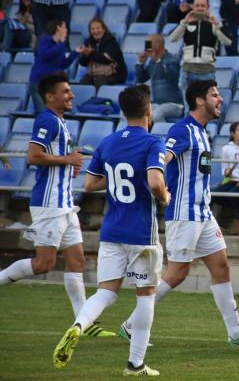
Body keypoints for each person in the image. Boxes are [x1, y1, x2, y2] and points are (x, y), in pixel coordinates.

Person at [119, 80, 239, 348]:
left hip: (203, 213)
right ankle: (131, 324)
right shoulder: (183, 129)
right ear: (200, 100)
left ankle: (236, 334)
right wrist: (159, 184)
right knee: (177, 274)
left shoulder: (203, 133)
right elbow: (162, 158)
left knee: (221, 266)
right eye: (214, 95)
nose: (219, 99)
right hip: (185, 213)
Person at [52, 84, 169, 376]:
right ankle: (135, 364)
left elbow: (90, 185)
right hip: (141, 233)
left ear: (122, 111)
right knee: (146, 294)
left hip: (112, 231)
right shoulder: (153, 142)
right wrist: (164, 196)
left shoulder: (108, 142)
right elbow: (155, 183)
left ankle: (79, 325)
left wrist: (116, 181)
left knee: (106, 292)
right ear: (148, 110)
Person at [0, 73, 113, 337]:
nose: (72, 95)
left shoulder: (61, 123)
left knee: (77, 261)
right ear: (50, 97)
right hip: (50, 203)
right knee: (43, 264)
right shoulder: (46, 120)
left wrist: (69, 165)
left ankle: (83, 324)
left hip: (65, 203)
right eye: (65, 92)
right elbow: (33, 156)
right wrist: (67, 160)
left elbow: (57, 159)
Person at [169, 0, 231, 108]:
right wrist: (184, 21)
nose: (200, 8)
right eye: (197, 5)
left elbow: (227, 42)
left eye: (203, 6)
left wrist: (217, 23)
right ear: (193, 7)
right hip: (187, 71)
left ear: (207, 8)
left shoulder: (214, 25)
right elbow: (172, 38)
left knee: (206, 109)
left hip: (206, 73)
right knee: (189, 108)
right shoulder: (186, 24)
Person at [30, 20, 83, 113]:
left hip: (52, 84)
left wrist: (75, 52)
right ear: (58, 28)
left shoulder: (60, 46)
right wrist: (61, 44)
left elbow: (63, 64)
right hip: (39, 82)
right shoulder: (45, 40)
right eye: (65, 27)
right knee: (43, 113)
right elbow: (45, 55)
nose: (67, 30)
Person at [135, 34, 183, 122]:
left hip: (174, 104)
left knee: (156, 115)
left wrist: (158, 60)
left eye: (149, 44)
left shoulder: (172, 60)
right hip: (158, 104)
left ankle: (164, 134)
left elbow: (169, 75)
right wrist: (140, 63)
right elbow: (141, 78)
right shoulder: (153, 62)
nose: (147, 47)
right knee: (135, 111)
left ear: (158, 46)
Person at [78, 18, 128, 88]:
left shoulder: (111, 41)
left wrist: (91, 54)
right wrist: (85, 55)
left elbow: (106, 60)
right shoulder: (88, 42)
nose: (95, 31)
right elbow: (82, 63)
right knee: (84, 80)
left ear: (104, 29)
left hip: (115, 74)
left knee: (99, 80)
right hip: (96, 73)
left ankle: (101, 99)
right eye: (92, 29)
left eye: (98, 28)